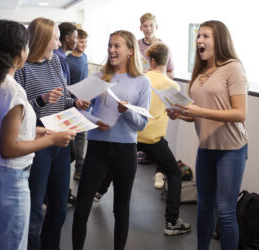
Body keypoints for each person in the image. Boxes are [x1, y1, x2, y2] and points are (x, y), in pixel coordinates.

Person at [0, 20, 75, 250]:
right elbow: (8, 148)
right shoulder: (12, 90)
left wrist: (39, 130)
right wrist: (50, 139)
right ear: (20, 51)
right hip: (9, 177)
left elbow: (0, 126)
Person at [167, 20, 248, 250]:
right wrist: (181, 114)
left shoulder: (233, 67)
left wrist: (197, 110)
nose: (199, 40)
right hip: (206, 148)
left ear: (219, 39)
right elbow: (198, 115)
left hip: (231, 149)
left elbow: (240, 113)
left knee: (225, 211)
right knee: (203, 208)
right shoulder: (201, 70)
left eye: (206, 36)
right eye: (199, 36)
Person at [14, 17, 89, 250]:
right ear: (44, 39)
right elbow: (21, 112)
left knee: (58, 210)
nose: (59, 44)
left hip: (61, 143)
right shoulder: (21, 70)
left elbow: (63, 96)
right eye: (56, 39)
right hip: (37, 144)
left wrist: (75, 102)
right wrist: (42, 99)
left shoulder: (55, 63)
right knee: (35, 211)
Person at [72, 30, 151, 250]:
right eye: (109, 45)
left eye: (117, 46)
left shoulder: (142, 82)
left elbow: (142, 124)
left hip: (125, 151)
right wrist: (95, 120)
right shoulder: (98, 77)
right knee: (82, 206)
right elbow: (81, 111)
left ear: (130, 52)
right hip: (97, 147)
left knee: (121, 209)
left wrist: (126, 111)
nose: (111, 50)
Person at [137, 42, 191, 235]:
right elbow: (180, 110)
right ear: (166, 61)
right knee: (174, 173)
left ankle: (99, 193)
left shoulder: (141, 78)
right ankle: (172, 221)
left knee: (116, 162)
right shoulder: (173, 85)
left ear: (151, 60)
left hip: (135, 134)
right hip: (153, 138)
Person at [138, 12, 176, 189]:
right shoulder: (136, 45)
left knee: (159, 136)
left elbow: (170, 72)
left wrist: (156, 79)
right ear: (141, 28)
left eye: (151, 25)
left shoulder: (163, 47)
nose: (148, 29)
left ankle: (159, 174)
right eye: (145, 26)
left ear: (156, 26)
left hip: (157, 93)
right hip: (140, 91)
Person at [53, 22, 79, 207]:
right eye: (76, 38)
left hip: (65, 107)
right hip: (60, 113)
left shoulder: (62, 56)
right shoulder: (58, 57)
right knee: (68, 153)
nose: (77, 42)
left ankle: (60, 193)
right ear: (67, 38)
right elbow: (62, 88)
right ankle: (56, 193)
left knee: (69, 153)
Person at [66, 28, 89, 181]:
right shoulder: (67, 60)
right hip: (71, 105)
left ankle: (79, 170)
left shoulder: (85, 57)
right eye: (81, 41)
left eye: (86, 42)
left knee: (82, 138)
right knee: (71, 141)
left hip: (84, 104)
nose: (84, 44)